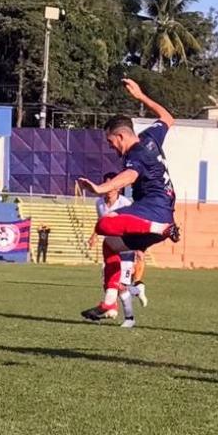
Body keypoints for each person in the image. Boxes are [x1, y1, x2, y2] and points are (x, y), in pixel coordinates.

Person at [77, 78, 179, 321]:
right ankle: (109, 304)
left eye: (111, 142)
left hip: (154, 213)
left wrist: (101, 188)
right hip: (157, 210)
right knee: (109, 243)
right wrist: (141, 96)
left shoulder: (136, 153)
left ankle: (163, 229)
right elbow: (167, 117)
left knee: (104, 225)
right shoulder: (151, 137)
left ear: (121, 136)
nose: (111, 148)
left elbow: (129, 176)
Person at [88, 172, 148, 328]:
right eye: (106, 185)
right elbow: (101, 221)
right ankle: (119, 309)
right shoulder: (99, 203)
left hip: (125, 247)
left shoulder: (125, 203)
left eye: (112, 186)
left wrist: (138, 246)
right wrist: (94, 235)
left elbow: (133, 223)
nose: (109, 189)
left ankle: (131, 299)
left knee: (120, 284)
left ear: (118, 188)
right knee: (109, 280)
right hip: (111, 245)